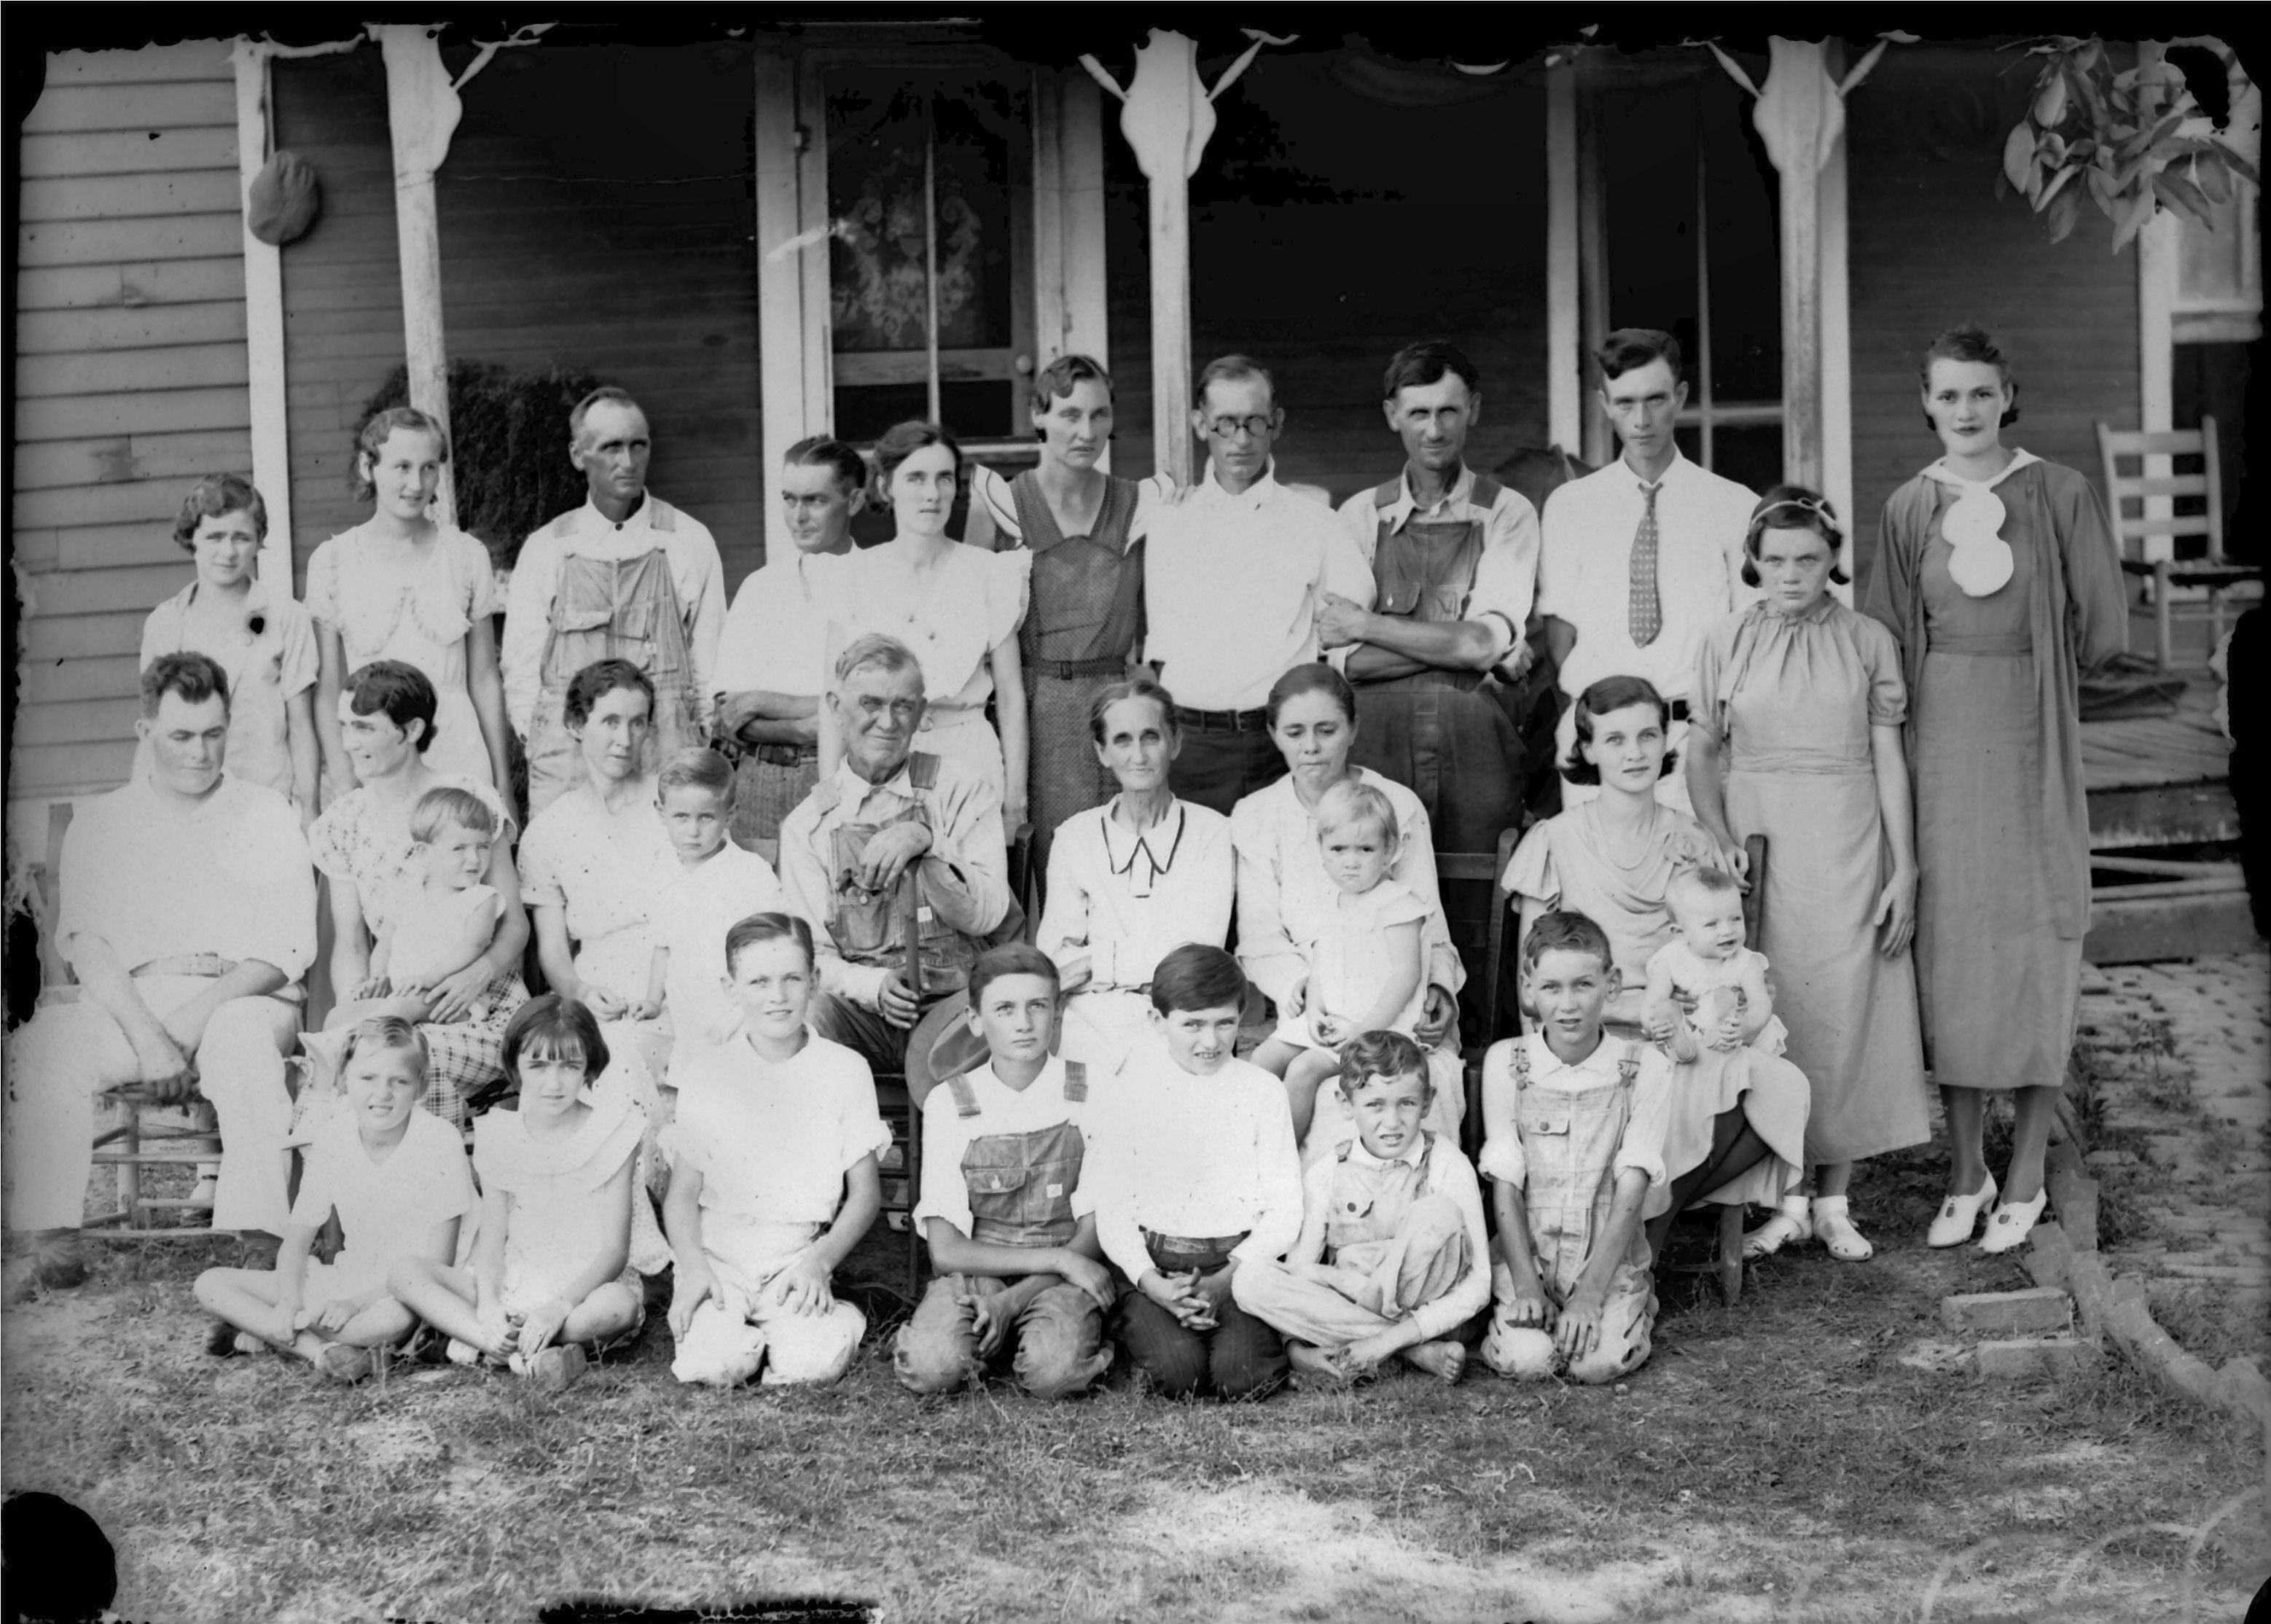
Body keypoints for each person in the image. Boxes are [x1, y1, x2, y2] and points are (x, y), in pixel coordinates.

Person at [1863, 324, 2127, 1254]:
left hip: (2028, 736)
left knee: (2031, 936)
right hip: (1940, 741)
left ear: (2007, 395)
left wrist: (2036, 662)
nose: (1965, 409)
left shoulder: (2058, 491)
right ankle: (1966, 1166)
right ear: (1925, 403)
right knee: (1954, 945)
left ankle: (2027, 1167)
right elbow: (1886, 637)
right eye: (1947, 394)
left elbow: (2102, 630)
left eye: (1981, 392)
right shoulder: (1908, 505)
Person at [4, 654, 316, 1296]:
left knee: (239, 1039)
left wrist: (186, 1024)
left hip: (244, 994)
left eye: (213, 734)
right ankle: (53, 1236)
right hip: (136, 1001)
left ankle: (260, 1236)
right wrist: (151, 1039)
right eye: (181, 736)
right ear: (146, 732)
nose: (200, 753)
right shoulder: (103, 820)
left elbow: (284, 949)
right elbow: (88, 946)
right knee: (46, 1045)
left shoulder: (268, 812)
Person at [1688, 487, 1929, 1262]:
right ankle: (1784, 1198)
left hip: (1846, 840)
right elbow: (1702, 750)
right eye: (1775, 559)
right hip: (1760, 841)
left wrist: (1905, 867)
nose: (1790, 573)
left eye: (1807, 558)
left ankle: (1832, 1202)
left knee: (1841, 1007)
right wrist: (1718, 834)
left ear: (1832, 561)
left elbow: (1889, 757)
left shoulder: (1866, 639)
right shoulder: (1727, 638)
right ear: (1752, 563)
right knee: (1771, 1003)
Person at [1503, 674, 1810, 1262]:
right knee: (1670, 1080)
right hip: (1595, 1027)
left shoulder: (1691, 841)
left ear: (1665, 741)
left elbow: (1723, 959)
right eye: (1615, 739)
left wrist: (1710, 1006)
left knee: (1777, 1084)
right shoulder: (1555, 840)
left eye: (1647, 735)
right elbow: (1531, 987)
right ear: (1587, 748)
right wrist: (1632, 1010)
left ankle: (1652, 1224)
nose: (1635, 753)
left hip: (1683, 1032)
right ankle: (1640, 1232)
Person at [966, 356, 1177, 876]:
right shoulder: (1001, 503)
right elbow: (972, 628)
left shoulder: (1141, 504)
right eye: (1069, 415)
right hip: (1032, 712)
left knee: (1126, 862)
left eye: (1099, 414)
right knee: (1047, 866)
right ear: (1038, 416)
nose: (1086, 431)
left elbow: (1165, 614)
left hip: (1119, 707)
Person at [1326, 342, 1539, 854]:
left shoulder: (1507, 513)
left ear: (1474, 410)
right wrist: (1470, 652)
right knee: (1379, 883)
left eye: (1449, 411)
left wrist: (1368, 626)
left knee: (1478, 889)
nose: (1435, 430)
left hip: (1478, 757)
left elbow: (1480, 644)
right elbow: (1348, 663)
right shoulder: (1359, 516)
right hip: (1376, 755)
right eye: (1419, 413)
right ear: (1392, 415)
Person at [1142, 355, 1376, 815]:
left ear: (1277, 423)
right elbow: (1157, 647)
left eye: (1255, 422)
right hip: (1194, 746)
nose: (1242, 440)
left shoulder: (1315, 523)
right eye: (1226, 424)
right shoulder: (1169, 521)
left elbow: (1348, 627)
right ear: (1200, 425)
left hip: (1281, 747)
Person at [1536, 330, 1758, 814]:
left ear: (1680, 396)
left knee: (1696, 863)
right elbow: (1559, 638)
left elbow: (1750, 640)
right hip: (1602, 738)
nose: (1641, 420)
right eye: (1625, 403)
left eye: (1656, 399)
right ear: (1604, 403)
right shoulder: (1571, 506)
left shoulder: (1734, 505)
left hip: (1696, 739)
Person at [662, 913, 886, 1388]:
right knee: (714, 1364)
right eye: (758, 982)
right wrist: (695, 1268)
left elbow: (865, 1194)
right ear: (731, 988)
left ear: (815, 980)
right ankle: (732, 1333)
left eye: (792, 979)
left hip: (796, 1256)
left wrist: (819, 1262)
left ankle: (823, 1321)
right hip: (719, 1255)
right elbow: (682, 1193)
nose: (777, 996)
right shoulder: (707, 1073)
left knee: (812, 1364)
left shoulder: (845, 1070)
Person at [779, 635, 1015, 1080]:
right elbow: (809, 956)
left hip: (958, 1015)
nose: (887, 722)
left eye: (903, 706)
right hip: (863, 1017)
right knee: (801, 1021)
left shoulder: (961, 789)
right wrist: (872, 987)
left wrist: (928, 840)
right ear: (835, 707)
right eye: (870, 703)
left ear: (922, 712)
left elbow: (989, 915)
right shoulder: (809, 825)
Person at [310, 660, 531, 1127]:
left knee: (399, 1063)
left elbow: (513, 924)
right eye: (345, 726)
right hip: (400, 1002)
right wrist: (361, 1004)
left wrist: (477, 974)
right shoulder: (344, 822)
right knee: (363, 1052)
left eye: (365, 728)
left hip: (480, 1007)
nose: (349, 742)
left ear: (410, 730)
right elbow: (352, 944)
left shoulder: (466, 800)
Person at [192, 1018, 473, 1383]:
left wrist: (355, 1304)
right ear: (344, 1079)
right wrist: (288, 1301)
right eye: (367, 1078)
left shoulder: (439, 1141)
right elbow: (297, 1241)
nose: (382, 1094)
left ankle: (265, 1331)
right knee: (211, 1284)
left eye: (399, 1081)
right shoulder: (333, 1138)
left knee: (389, 1322)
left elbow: (437, 1264)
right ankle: (323, 1353)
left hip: (410, 1291)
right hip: (348, 1277)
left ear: (420, 1086)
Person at [892, 946, 1117, 1399]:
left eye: (1038, 1006)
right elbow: (946, 1251)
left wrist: (1012, 1300)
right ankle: (983, 1334)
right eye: (1005, 1009)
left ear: (1057, 1014)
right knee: (934, 1367)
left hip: (1064, 1275)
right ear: (976, 1020)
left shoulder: (1093, 1088)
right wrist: (1055, 1260)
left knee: (1053, 1374)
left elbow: (1092, 1234)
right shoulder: (949, 1102)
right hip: (982, 1268)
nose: (1023, 1023)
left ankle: (1035, 1330)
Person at [388, 996, 646, 1391]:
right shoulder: (500, 1135)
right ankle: (508, 1348)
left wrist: (559, 1307)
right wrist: (490, 1303)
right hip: (515, 1279)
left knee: (618, 1307)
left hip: (583, 1290)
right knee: (406, 1271)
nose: (553, 1083)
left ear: (590, 1066)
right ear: (515, 1067)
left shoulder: (613, 1132)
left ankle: (489, 1341)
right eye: (537, 1066)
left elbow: (615, 1250)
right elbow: (492, 1243)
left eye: (569, 1066)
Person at [1230, 665, 1465, 1081]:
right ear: (1273, 734)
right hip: (1311, 1005)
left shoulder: (1397, 804)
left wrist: (1440, 987)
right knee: (1272, 1073)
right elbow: (1259, 938)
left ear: (1353, 729)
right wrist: (1299, 987)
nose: (1310, 747)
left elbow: (1431, 929)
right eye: (1294, 733)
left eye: (1327, 730)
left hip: (1392, 1003)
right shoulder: (1257, 816)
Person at [1090, 945, 1302, 1400]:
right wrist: (1151, 1283)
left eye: (1225, 1023)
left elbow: (1285, 1209)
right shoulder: (1128, 1092)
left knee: (1241, 1377)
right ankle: (1149, 1322)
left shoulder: (1263, 1091)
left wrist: (1226, 1281)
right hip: (1157, 1265)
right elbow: (1112, 1209)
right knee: (1178, 1376)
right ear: (1158, 1021)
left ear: (1242, 1016)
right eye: (1192, 1024)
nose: (1211, 1041)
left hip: (1237, 1265)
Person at [504, 387, 727, 819]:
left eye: (638, 445)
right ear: (578, 455)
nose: (627, 461)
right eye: (611, 447)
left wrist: (697, 738)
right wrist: (545, 738)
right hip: (570, 758)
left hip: (665, 749)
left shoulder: (687, 540)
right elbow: (522, 665)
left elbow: (709, 657)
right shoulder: (549, 548)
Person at [1476, 911, 1670, 1385]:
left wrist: (1589, 1296)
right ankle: (1518, 1314)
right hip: (1532, 1255)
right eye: (1551, 988)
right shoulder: (1507, 1062)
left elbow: (1632, 1189)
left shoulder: (1644, 1066)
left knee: (1596, 1364)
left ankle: (1631, 1304)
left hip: (1606, 1259)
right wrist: (1527, 1286)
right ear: (1529, 989)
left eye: (1583, 985)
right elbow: (1506, 1182)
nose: (1568, 1005)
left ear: (1612, 984)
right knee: (1529, 1362)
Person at [1232, 1032, 1489, 1388]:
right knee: (1250, 1279)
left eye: (1406, 1103)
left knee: (1439, 1213)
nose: (1392, 1121)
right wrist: (1295, 1348)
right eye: (1375, 1105)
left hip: (1425, 1309)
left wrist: (1386, 1337)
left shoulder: (1448, 1164)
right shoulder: (1327, 1171)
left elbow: (1480, 1283)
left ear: (1427, 1103)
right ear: (1346, 1104)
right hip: (1349, 1310)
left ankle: (1389, 1344)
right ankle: (1415, 1354)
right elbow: (1300, 1270)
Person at [817, 421, 1030, 828]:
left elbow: (1010, 695)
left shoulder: (989, 573)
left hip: (970, 760)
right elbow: (832, 697)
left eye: (943, 478)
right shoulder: (853, 576)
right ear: (886, 487)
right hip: (880, 763)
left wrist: (1015, 803)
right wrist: (829, 792)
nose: (932, 493)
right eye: (915, 478)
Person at [308, 407, 513, 805]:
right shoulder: (333, 560)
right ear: (368, 467)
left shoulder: (466, 555)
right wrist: (345, 782)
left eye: (429, 468)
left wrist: (503, 783)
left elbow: (485, 679)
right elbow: (329, 688)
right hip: (375, 755)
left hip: (457, 753)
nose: (416, 484)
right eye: (402, 467)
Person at [1036, 677, 1234, 1070]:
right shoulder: (1074, 836)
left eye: (1151, 737)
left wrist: (1094, 965)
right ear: (1102, 752)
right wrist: (1144, 964)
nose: (1139, 755)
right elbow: (1055, 959)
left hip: (1177, 1018)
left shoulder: (1211, 832)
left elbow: (1195, 961)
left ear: (1175, 743)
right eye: (1123, 741)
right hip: (1087, 1021)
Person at [1250, 781, 1446, 1156]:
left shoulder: (1398, 905)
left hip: (1379, 1028)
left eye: (1365, 849)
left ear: (1390, 851)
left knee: (1304, 1070)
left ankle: (1279, 1160)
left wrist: (1363, 1029)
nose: (1351, 861)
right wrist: (1313, 1013)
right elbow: (1321, 968)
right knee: (1262, 1059)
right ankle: (1248, 1146)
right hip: (1335, 1021)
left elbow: (1406, 976)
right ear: (1322, 852)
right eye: (1338, 849)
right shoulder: (1332, 904)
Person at [519, 660, 676, 1082]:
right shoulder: (550, 830)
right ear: (576, 725)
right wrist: (581, 992)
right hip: (603, 988)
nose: (625, 740)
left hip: (681, 972)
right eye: (610, 722)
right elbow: (554, 950)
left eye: (637, 723)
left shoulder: (674, 804)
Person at [138, 473, 318, 822]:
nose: (228, 552)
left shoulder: (286, 616)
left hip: (266, 801)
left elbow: (301, 725)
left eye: (242, 538)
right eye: (215, 537)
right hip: (187, 805)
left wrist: (310, 811)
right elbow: (154, 729)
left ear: (259, 541)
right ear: (192, 538)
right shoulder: (166, 622)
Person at [714, 437, 862, 848]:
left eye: (815, 500)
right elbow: (729, 711)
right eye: (789, 499)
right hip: (760, 781)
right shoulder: (761, 587)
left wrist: (763, 700)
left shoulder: (877, 583)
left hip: (845, 778)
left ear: (853, 501)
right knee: (761, 888)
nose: (799, 516)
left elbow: (867, 706)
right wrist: (808, 725)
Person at [324, 786, 506, 1033]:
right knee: (341, 1014)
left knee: (401, 1007)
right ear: (423, 852)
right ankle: (330, 1047)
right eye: (459, 848)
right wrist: (378, 978)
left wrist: (429, 979)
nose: (474, 858)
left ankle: (352, 1043)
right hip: (400, 997)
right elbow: (385, 944)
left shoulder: (481, 899)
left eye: (483, 846)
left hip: (449, 1000)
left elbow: (472, 946)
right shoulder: (407, 894)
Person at [648, 748, 788, 1060]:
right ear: (661, 813)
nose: (693, 831)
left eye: (706, 817)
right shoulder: (663, 870)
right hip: (686, 1010)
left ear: (730, 814)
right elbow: (663, 947)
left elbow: (776, 948)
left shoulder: (750, 873)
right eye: (681, 817)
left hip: (739, 1009)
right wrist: (652, 1001)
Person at [1641, 868, 1786, 1065]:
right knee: (1665, 1017)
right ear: (1681, 933)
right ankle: (1678, 1041)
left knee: (1745, 1050)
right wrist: (1654, 1026)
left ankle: (1725, 1027)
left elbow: (1761, 1004)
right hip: (1692, 1039)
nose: (1727, 931)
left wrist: (1744, 1027)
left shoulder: (1747, 961)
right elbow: (1651, 1004)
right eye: (1711, 924)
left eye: (1736, 919)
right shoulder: (1668, 960)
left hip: (1736, 1040)